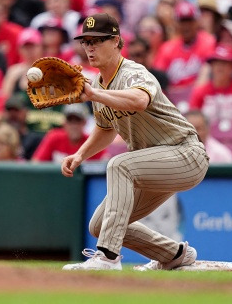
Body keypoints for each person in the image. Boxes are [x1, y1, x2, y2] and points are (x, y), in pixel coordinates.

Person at [61, 13, 209, 271]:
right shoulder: (98, 83)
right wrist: (81, 154)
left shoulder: (133, 72)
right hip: (153, 164)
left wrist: (96, 94)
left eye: (97, 40)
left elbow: (139, 100)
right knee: (99, 225)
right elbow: (106, 128)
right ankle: (174, 254)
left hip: (185, 154)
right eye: (85, 41)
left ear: (116, 41)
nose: (90, 47)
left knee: (119, 165)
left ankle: (108, 257)